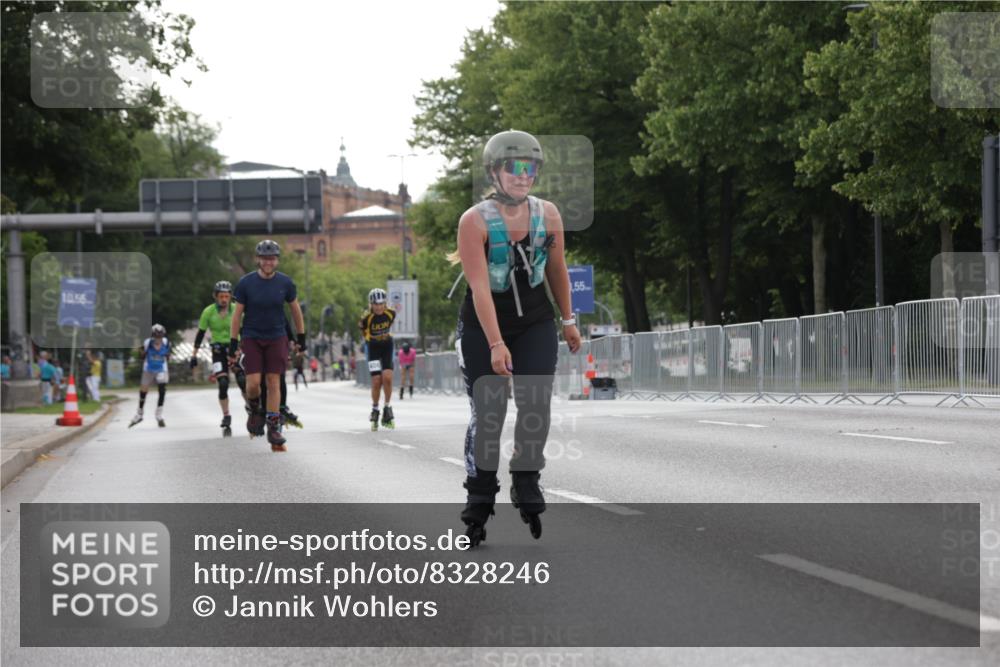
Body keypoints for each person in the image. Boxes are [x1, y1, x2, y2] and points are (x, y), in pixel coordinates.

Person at [450, 130, 581, 546]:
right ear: (494, 171)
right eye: (514, 167)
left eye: (531, 168)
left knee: (536, 401)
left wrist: (568, 319)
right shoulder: (474, 221)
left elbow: (558, 269)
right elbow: (480, 288)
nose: (523, 176)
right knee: (490, 413)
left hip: (535, 321)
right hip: (483, 324)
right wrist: (494, 343)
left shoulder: (549, 214)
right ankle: (480, 497)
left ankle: (526, 480)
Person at [229, 239, 305, 452]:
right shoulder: (246, 283)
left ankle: (273, 427)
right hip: (252, 337)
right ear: (258, 260)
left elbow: (295, 311)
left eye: (272, 258)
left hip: (276, 337)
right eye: (264, 258)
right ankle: (254, 409)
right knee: (252, 384)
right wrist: (233, 343)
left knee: (273, 381)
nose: (268, 262)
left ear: (277, 260)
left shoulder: (285, 283)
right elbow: (237, 316)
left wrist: (301, 338)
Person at [190, 281, 244, 437]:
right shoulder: (208, 312)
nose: (224, 300)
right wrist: (194, 355)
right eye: (221, 296)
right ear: (215, 296)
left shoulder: (236, 309)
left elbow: (246, 328)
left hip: (235, 348)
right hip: (218, 350)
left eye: (227, 296)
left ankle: (251, 407)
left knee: (241, 380)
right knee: (223, 383)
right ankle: (226, 415)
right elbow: (200, 334)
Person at [359, 288, 397, 430]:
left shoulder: (391, 313)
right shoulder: (366, 318)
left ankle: (387, 407)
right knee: (376, 381)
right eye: (376, 304)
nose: (379, 307)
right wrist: (372, 339)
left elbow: (390, 324)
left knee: (387, 377)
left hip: (387, 346)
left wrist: (383, 336)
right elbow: (363, 331)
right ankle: (375, 409)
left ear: (385, 303)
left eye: (381, 304)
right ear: (371, 304)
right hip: (373, 348)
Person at [128, 324, 171, 428]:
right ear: (152, 336)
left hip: (161, 368)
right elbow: (141, 356)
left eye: (160, 336)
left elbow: (168, 356)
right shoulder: (147, 343)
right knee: (143, 391)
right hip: (149, 368)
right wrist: (142, 352)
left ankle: (159, 414)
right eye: (156, 336)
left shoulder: (166, 342)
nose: (158, 339)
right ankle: (139, 413)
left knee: (162, 390)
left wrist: (164, 355)